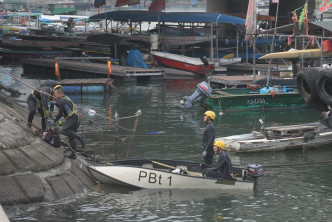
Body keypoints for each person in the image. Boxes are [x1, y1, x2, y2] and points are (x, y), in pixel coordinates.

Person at [52, 85, 85, 159]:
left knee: (64, 130)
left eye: (55, 93)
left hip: (72, 118)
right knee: (71, 137)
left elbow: (60, 114)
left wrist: (54, 120)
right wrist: (56, 104)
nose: (54, 95)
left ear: (59, 93)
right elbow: (64, 108)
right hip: (76, 119)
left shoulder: (62, 101)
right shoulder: (65, 99)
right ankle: (73, 155)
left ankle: (80, 137)